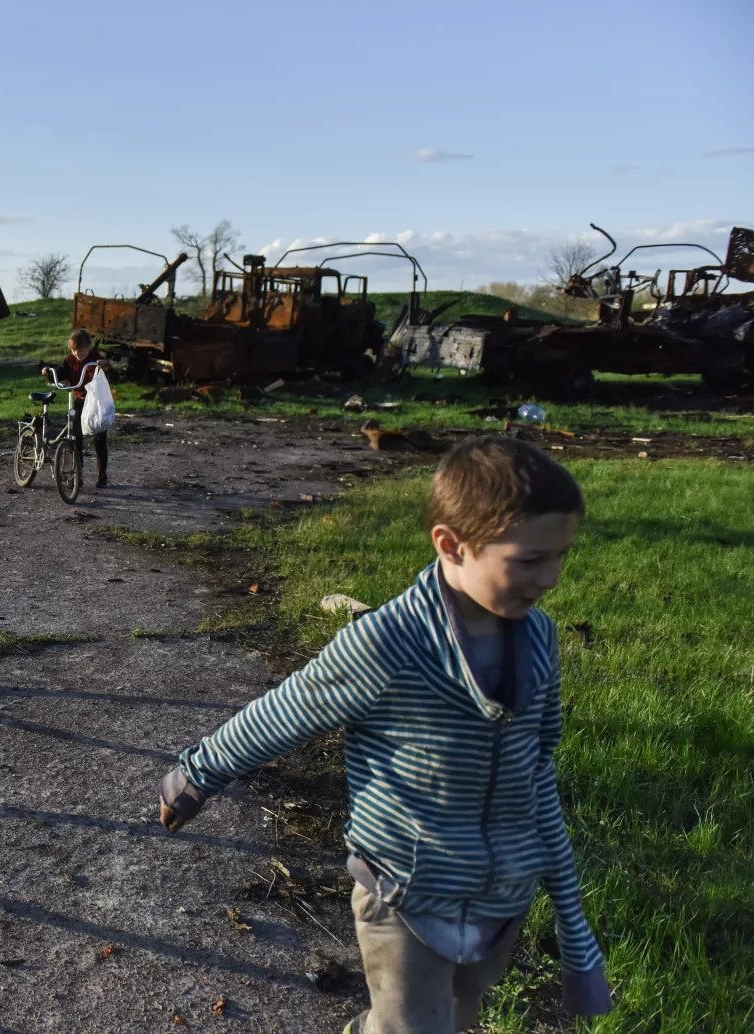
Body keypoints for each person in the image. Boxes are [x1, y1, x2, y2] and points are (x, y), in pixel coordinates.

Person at [157, 436, 612, 1034]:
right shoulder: (388, 644)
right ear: (452, 545)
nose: (550, 578)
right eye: (529, 560)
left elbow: (539, 758)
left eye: (561, 557)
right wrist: (197, 774)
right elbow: (289, 709)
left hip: (502, 892)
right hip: (406, 889)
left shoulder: (538, 638)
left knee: (456, 1015)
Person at [44, 328, 109, 488]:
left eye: (80, 350)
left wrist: (104, 366)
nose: (77, 353)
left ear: (88, 347)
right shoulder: (70, 360)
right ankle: (77, 476)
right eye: (74, 350)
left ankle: (102, 475)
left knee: (99, 439)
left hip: (95, 403)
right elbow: (62, 372)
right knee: (76, 438)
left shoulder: (95, 360)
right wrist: (49, 372)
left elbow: (107, 372)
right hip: (79, 401)